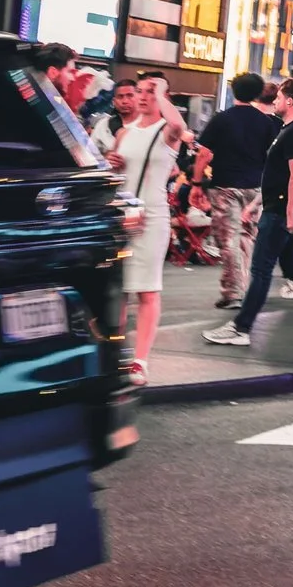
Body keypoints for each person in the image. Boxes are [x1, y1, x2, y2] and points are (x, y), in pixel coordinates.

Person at [204, 81, 293, 351]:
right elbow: (280, 176)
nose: (275, 101)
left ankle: (241, 327)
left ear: (290, 101)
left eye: (280, 97)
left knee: (260, 270)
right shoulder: (290, 129)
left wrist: (291, 214)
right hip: (280, 208)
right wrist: (256, 203)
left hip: (282, 213)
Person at [109, 76, 187, 387]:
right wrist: (110, 163)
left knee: (147, 289)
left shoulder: (168, 131)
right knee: (117, 290)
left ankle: (139, 361)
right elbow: (113, 174)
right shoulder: (124, 132)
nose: (143, 97)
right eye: (140, 91)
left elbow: (179, 124)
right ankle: (114, 355)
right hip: (122, 215)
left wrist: (162, 95)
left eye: (150, 92)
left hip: (152, 216)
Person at [194, 69, 274, 309]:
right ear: (259, 93)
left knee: (228, 239)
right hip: (255, 187)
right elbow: (271, 157)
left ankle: (233, 292)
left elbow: (204, 154)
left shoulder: (222, 118)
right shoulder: (266, 123)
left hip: (225, 185)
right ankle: (242, 287)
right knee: (247, 237)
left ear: (233, 90)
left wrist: (197, 183)